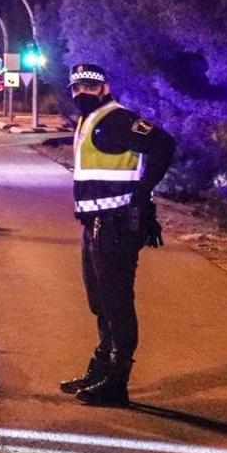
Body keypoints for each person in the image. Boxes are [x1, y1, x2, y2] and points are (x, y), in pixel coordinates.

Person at [59, 63, 175, 407]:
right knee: (100, 301)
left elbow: (163, 144)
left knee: (116, 303)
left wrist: (143, 193)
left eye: (90, 87)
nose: (82, 93)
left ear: (105, 88)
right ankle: (100, 368)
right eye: (76, 87)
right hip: (95, 222)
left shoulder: (117, 119)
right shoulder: (89, 121)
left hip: (118, 224)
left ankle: (116, 382)